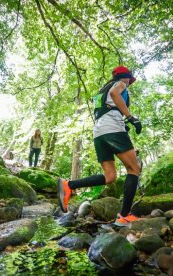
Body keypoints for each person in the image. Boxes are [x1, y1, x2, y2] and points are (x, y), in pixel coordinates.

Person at [57, 65, 142, 227]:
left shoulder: (102, 90)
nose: (129, 83)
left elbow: (106, 108)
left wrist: (122, 123)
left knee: (110, 177)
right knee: (134, 169)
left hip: (99, 133)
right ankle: (124, 216)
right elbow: (114, 94)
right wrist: (131, 118)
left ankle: (69, 185)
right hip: (113, 129)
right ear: (125, 77)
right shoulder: (120, 84)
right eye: (129, 80)